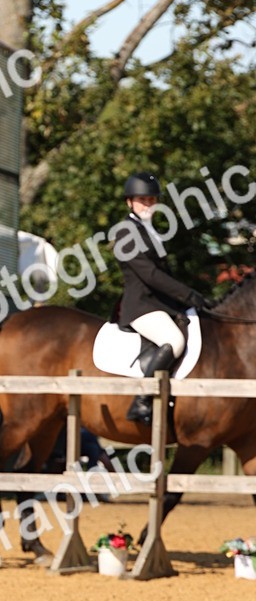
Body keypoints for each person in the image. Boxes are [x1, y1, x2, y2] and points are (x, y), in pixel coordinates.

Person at [114, 171, 214, 424]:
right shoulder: (125, 232)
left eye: (151, 199)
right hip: (141, 306)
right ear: (130, 202)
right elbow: (150, 275)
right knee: (174, 340)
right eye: (142, 200)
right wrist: (188, 294)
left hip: (159, 304)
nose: (147, 204)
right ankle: (141, 401)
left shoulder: (149, 231)